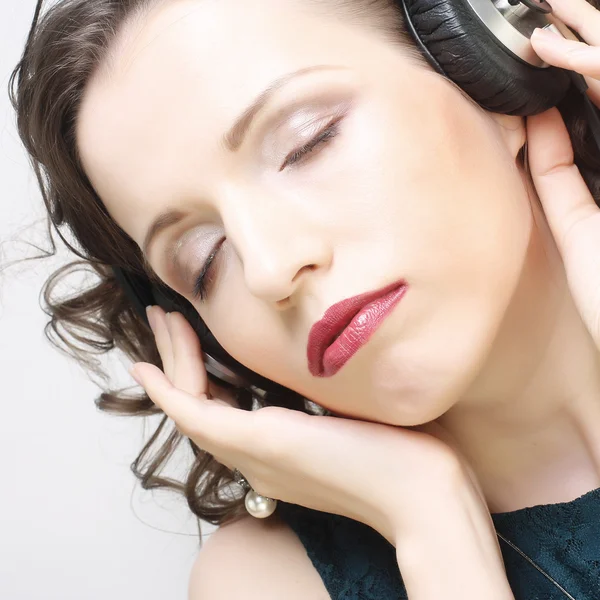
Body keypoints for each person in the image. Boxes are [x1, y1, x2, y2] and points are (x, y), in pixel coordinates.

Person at [9, 0, 600, 597]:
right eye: (204, 262)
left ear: (493, 62)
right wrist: (431, 524)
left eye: (306, 144)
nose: (270, 269)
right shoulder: (267, 583)